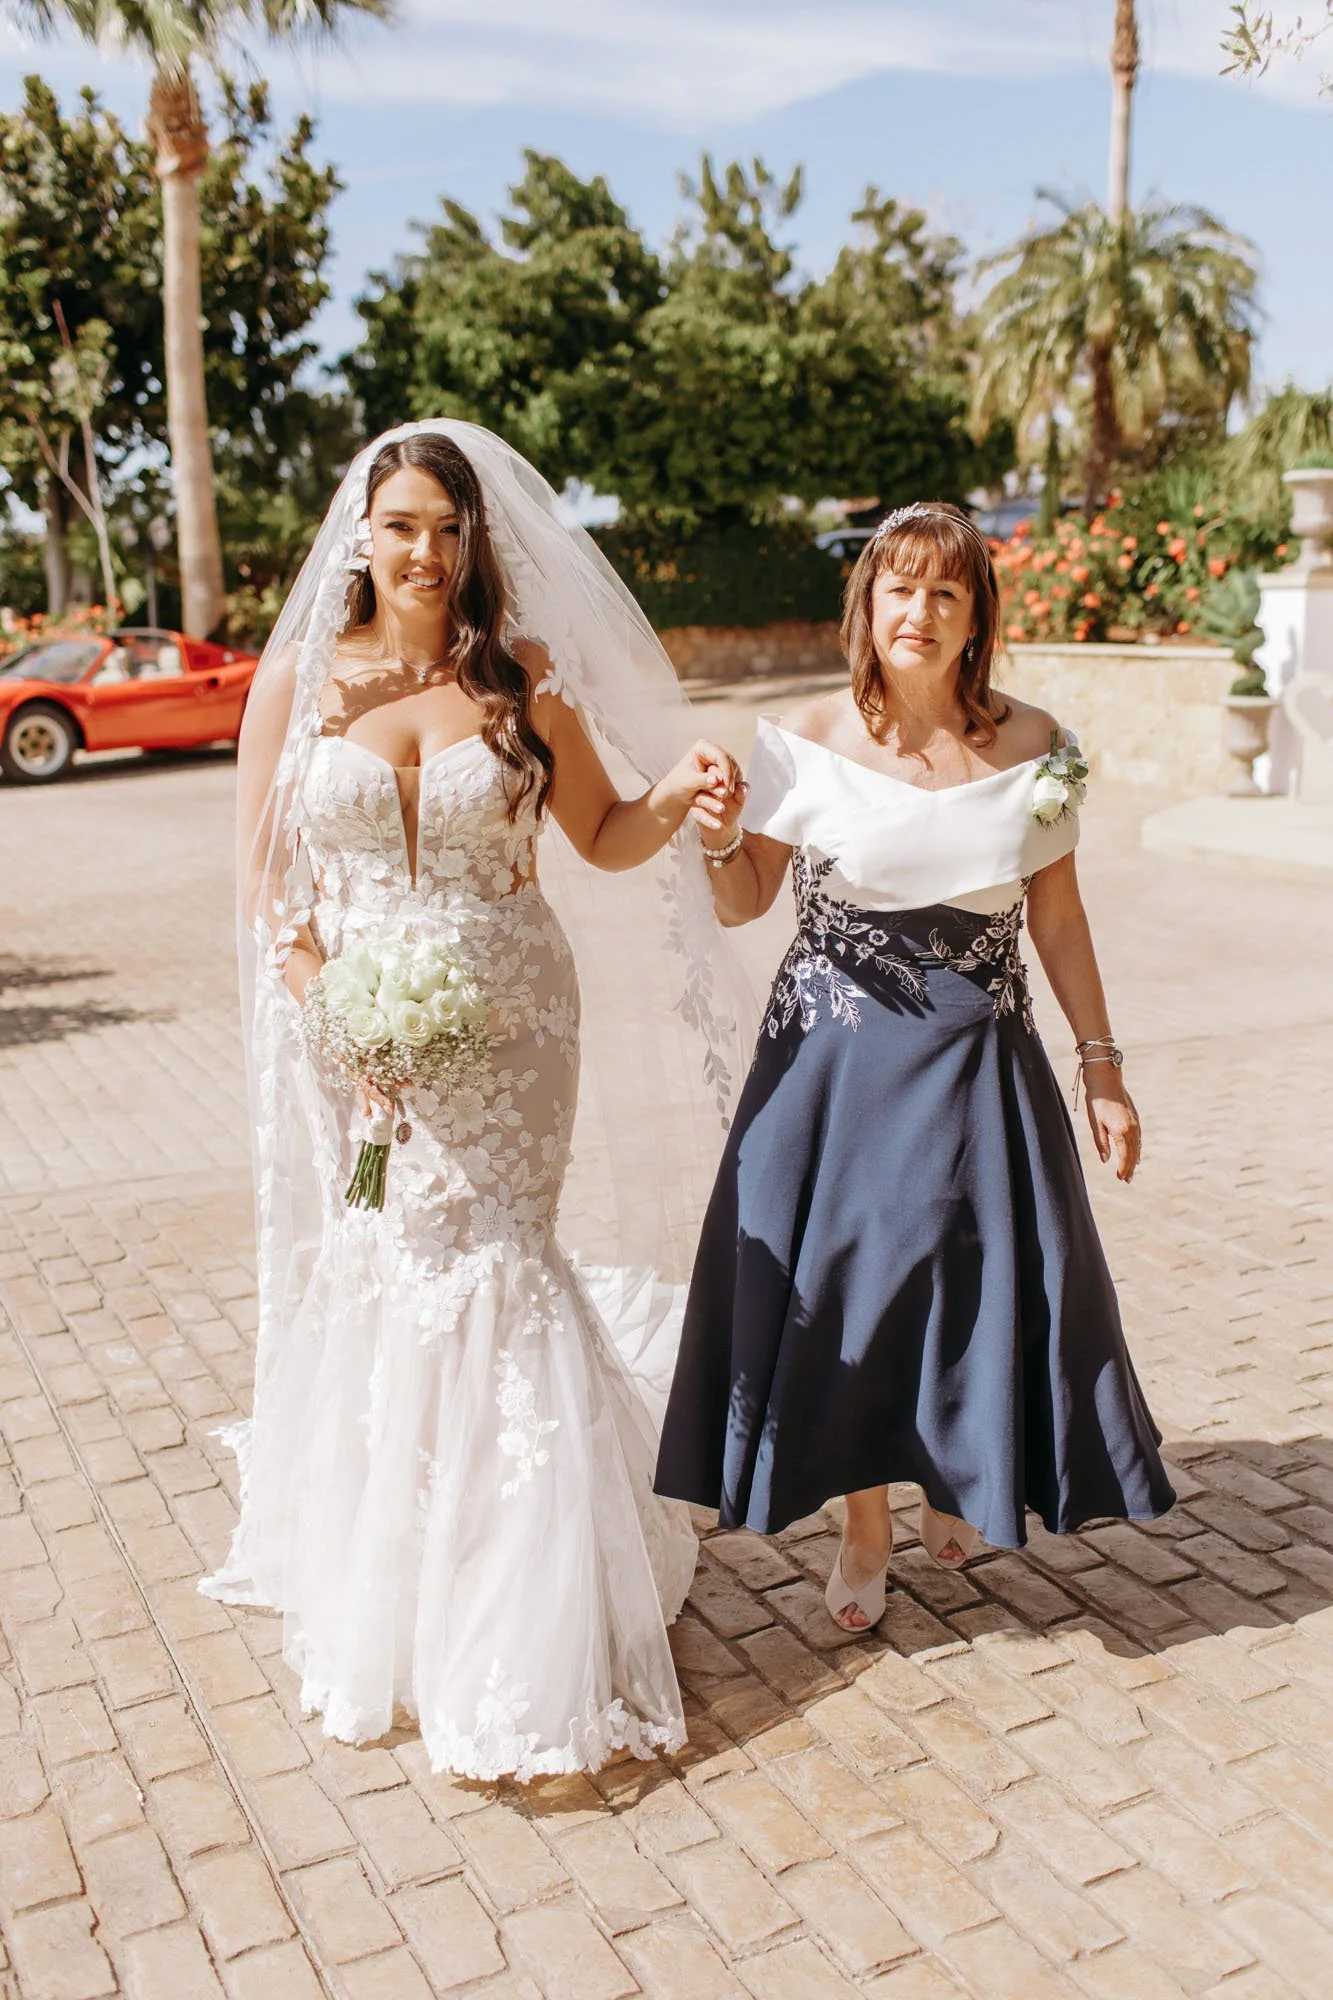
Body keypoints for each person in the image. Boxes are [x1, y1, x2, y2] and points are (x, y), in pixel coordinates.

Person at [202, 422, 747, 1777]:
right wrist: (331, 1003)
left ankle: (517, 1603)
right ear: (359, 535)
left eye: (447, 529)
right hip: (362, 1029)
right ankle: (399, 1563)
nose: (426, 553)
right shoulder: (299, 684)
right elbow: (268, 884)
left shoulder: (520, 677)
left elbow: (605, 839)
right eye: (400, 525)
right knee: (393, 1258)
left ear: (476, 539)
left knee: (496, 1259)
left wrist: (676, 791)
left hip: (513, 1026)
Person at [654, 501, 1175, 1632]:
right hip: (833, 1066)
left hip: (980, 1053)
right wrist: (714, 833)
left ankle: (952, 1470)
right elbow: (744, 900)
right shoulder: (799, 737)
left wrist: (1101, 1067)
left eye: (946, 590)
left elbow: (1063, 920)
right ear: (867, 604)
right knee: (854, 1288)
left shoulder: (1037, 748)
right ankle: (863, 1522)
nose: (919, 611)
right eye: (899, 587)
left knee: (966, 1275)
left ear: (977, 614)